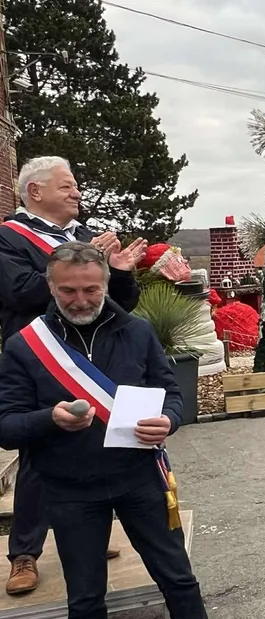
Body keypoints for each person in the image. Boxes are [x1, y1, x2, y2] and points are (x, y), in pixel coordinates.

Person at [0, 242, 205, 618]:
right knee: (86, 599)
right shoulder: (24, 346)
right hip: (69, 491)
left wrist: (170, 420)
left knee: (180, 581)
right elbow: (6, 427)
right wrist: (50, 419)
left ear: (107, 284)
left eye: (91, 290)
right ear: (51, 287)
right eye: (68, 291)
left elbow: (171, 393)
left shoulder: (138, 332)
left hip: (140, 479)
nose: (80, 300)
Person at [0, 157, 147, 595]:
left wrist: (117, 271)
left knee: (96, 441)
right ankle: (24, 552)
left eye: (76, 185)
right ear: (35, 192)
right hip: (40, 355)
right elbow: (20, 291)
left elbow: (122, 304)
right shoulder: (8, 237)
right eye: (67, 186)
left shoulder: (83, 237)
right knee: (38, 455)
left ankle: (89, 530)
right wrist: (82, 262)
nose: (77, 192)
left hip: (93, 355)